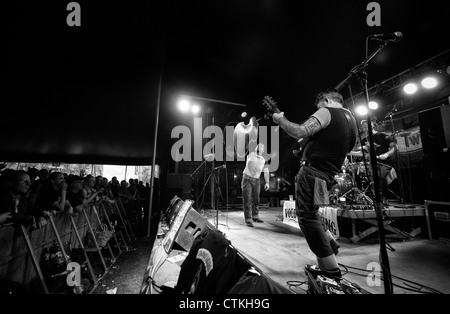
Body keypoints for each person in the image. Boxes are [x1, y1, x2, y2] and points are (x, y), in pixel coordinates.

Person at [271, 89, 357, 279]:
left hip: (312, 174)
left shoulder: (327, 112)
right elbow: (344, 146)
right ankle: (330, 244)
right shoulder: (351, 120)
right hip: (327, 176)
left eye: (319, 106)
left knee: (307, 218)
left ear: (325, 101)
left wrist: (279, 119)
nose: (318, 109)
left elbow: (300, 131)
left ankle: (330, 270)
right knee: (313, 214)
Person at [241, 143, 270, 228]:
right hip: (247, 178)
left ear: (263, 150)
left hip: (256, 180)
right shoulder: (250, 154)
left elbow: (266, 172)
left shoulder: (264, 159)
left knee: (256, 199)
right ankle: (248, 219)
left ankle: (255, 216)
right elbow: (245, 147)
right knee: (247, 199)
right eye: (258, 146)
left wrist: (267, 182)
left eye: (261, 146)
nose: (259, 147)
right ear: (255, 148)